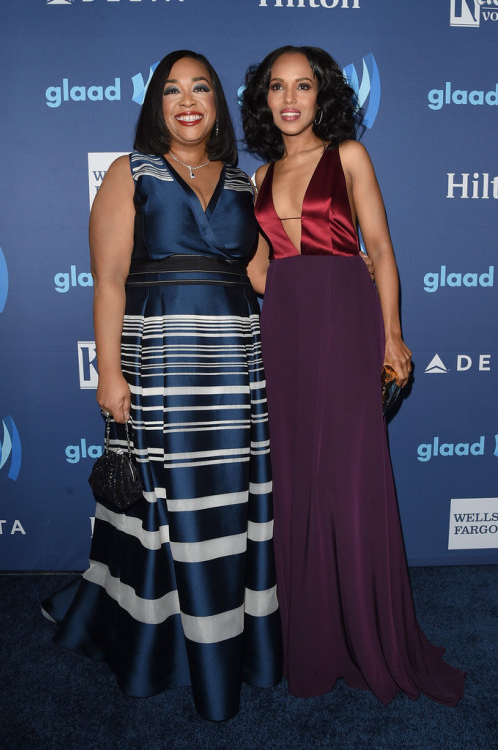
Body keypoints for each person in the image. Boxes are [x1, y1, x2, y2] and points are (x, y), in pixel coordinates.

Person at [42, 50, 282, 722]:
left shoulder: (242, 184)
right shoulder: (130, 172)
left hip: (238, 363)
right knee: (163, 505)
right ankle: (157, 647)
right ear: (156, 105)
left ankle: (236, 639)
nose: (187, 100)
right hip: (161, 361)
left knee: (230, 504)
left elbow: (266, 280)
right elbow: (109, 280)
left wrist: (349, 293)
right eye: (172, 90)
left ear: (216, 104)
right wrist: (110, 374)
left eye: (200, 88)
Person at [241, 45, 465, 706]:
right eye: (277, 87)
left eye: (302, 86)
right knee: (299, 485)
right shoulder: (256, 179)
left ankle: (370, 636)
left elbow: (383, 247)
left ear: (322, 96)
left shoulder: (348, 157)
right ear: (264, 100)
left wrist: (391, 332)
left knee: (348, 479)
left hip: (344, 324)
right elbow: (256, 270)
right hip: (285, 331)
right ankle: (312, 640)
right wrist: (283, 287)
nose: (289, 99)